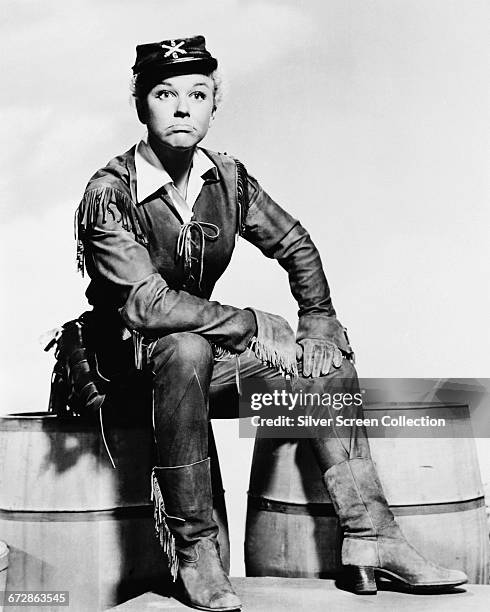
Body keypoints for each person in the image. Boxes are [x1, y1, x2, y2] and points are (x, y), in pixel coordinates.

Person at [75, 35, 467, 612]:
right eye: (165, 93)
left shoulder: (226, 178)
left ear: (214, 105)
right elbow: (147, 307)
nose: (183, 107)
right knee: (182, 347)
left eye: (198, 94)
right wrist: (254, 321)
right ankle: (194, 551)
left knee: (324, 359)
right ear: (141, 104)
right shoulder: (111, 192)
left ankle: (370, 536)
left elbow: (295, 243)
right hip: (126, 366)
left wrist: (318, 319)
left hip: (203, 353)